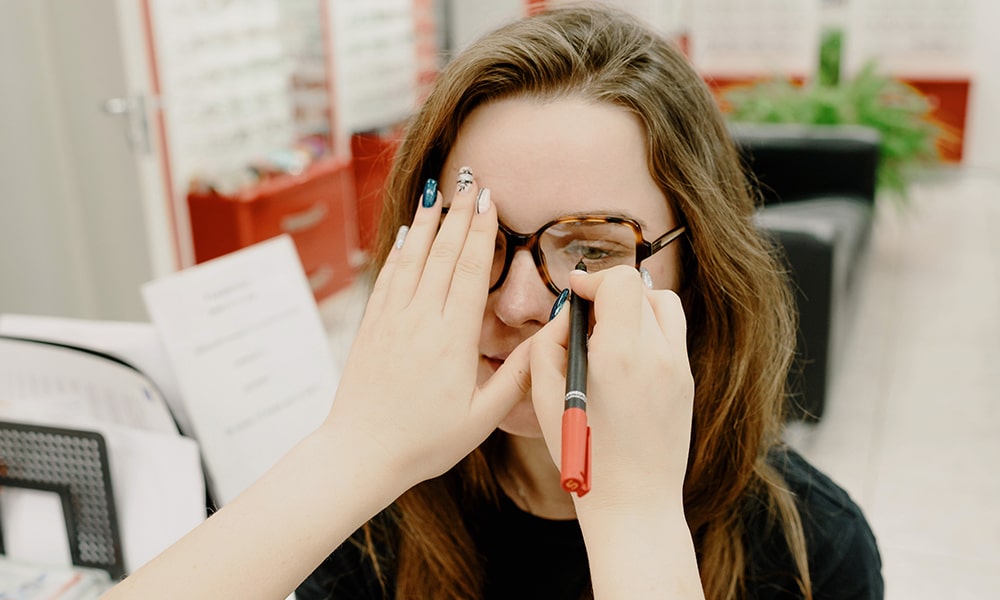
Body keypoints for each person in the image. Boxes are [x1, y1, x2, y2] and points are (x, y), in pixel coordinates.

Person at [103, 4, 882, 599]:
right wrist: (354, 452)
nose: (512, 303)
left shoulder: (816, 546)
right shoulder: (373, 513)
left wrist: (636, 515)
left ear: (697, 269)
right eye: (476, 238)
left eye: (592, 249)